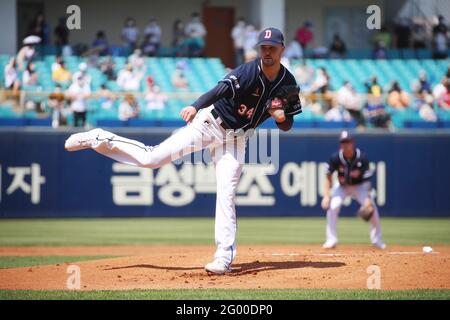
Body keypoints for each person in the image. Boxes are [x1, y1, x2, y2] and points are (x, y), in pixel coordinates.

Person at [64, 27, 302, 275]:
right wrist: (195, 105)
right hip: (209, 124)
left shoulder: (288, 84)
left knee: (227, 193)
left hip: (236, 140)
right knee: (152, 158)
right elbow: (220, 89)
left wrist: (280, 117)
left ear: (282, 50)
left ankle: (223, 258)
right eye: (263, 47)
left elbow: (287, 125)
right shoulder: (249, 71)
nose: (267, 52)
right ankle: (101, 137)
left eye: (272, 48)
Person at [321, 131, 385, 249]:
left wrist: (368, 200)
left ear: (353, 143)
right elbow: (328, 177)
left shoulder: (362, 157)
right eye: (343, 142)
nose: (345, 144)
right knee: (333, 207)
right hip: (342, 187)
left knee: (373, 210)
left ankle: (377, 240)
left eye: (348, 142)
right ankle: (331, 239)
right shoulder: (335, 158)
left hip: (360, 187)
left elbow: (367, 182)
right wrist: (326, 195)